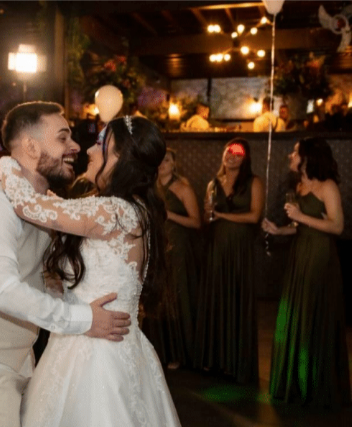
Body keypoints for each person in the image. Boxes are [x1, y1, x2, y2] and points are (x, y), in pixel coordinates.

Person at [0, 102, 132, 427]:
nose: (75, 147)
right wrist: (83, 318)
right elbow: (3, 292)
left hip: (25, 360)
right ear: (30, 146)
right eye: (63, 138)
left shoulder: (45, 206)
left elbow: (42, 274)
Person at [0, 115, 179, 426]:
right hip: (118, 345)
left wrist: (4, 165)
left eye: (101, 145)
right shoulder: (130, 208)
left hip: (95, 355)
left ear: (120, 158)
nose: (90, 151)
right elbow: (55, 207)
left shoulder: (112, 211)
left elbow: (28, 205)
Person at [263, 138, 350, 407]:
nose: (290, 155)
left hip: (320, 256)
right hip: (300, 253)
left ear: (308, 158)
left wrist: (300, 217)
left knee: (314, 312)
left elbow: (337, 227)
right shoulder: (299, 185)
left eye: (295, 152)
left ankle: (316, 384)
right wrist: (280, 230)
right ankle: (296, 379)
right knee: (295, 313)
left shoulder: (328, 186)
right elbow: (303, 226)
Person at [195, 138, 264, 384]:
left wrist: (222, 214)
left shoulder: (253, 182)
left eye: (237, 153)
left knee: (236, 300)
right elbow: (207, 219)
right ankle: (216, 361)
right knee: (217, 299)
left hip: (240, 250)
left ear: (245, 158)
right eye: (228, 152)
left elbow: (255, 216)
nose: (232, 157)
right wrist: (208, 214)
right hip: (217, 247)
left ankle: (237, 363)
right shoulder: (213, 184)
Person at [142, 148, 201, 370]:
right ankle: (158, 350)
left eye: (166, 160)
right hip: (155, 247)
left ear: (174, 164)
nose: (162, 164)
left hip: (178, 248)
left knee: (177, 299)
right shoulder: (149, 188)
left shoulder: (183, 188)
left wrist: (170, 215)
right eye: (159, 160)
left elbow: (196, 222)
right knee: (157, 299)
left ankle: (178, 352)